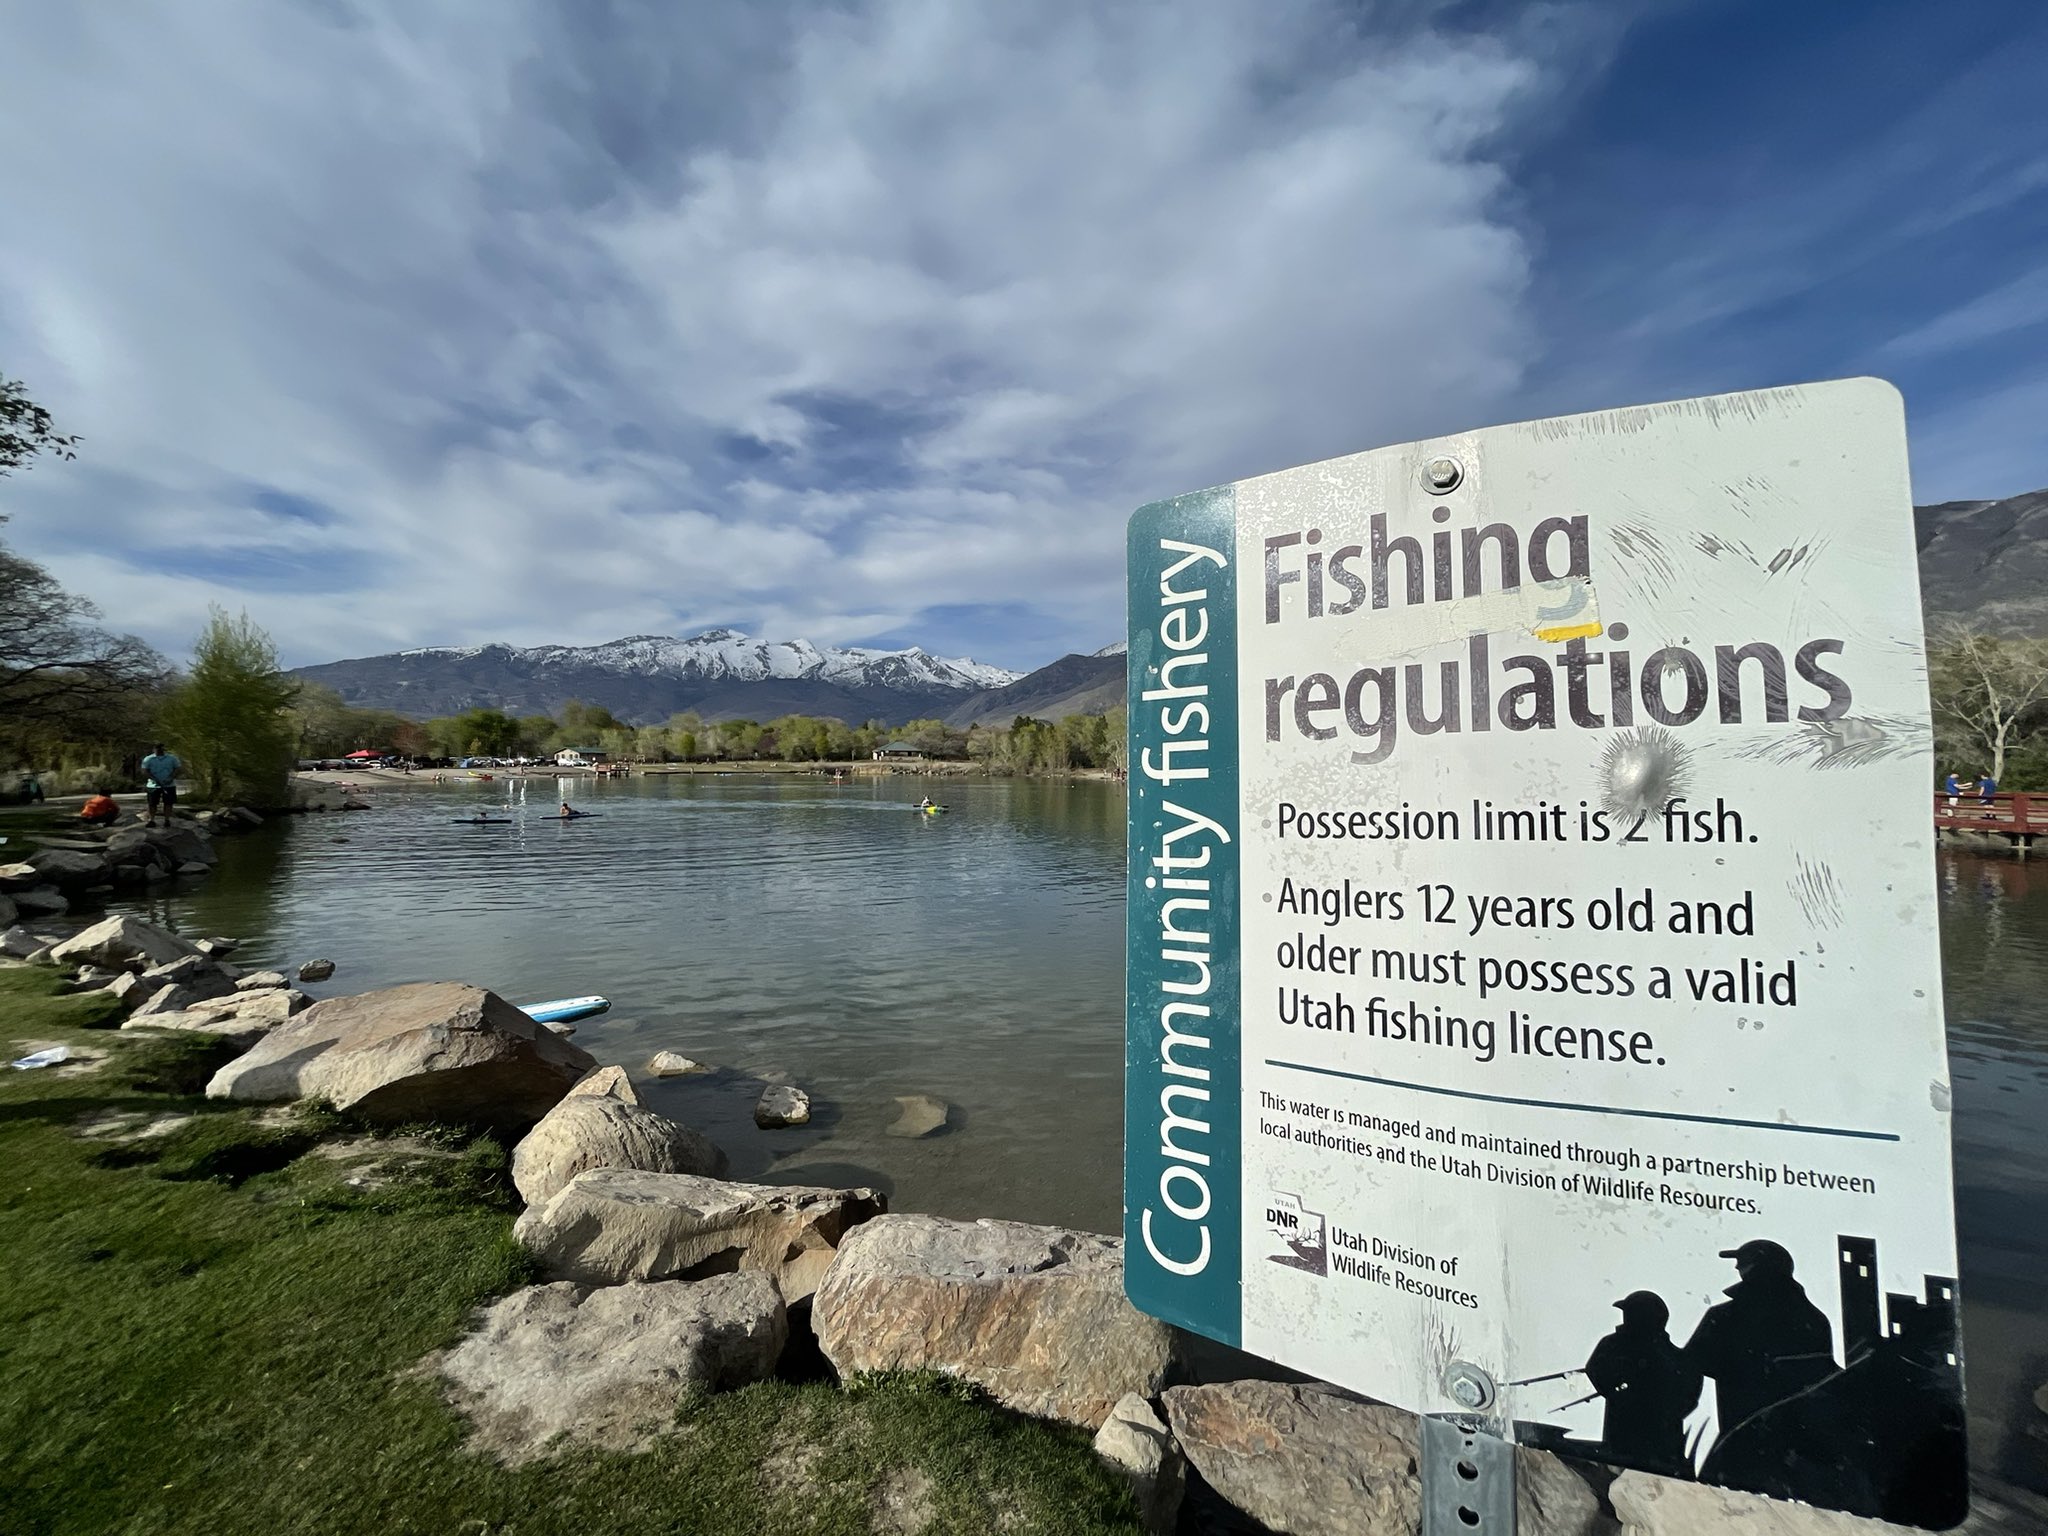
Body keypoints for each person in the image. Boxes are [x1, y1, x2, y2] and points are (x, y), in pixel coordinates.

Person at [1682, 1239, 1836, 1445]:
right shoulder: (1814, 1318)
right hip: (1801, 1439)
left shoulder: (1725, 1316)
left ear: (1756, 1268)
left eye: (1743, 1263)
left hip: (1744, 1434)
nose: (1737, 1267)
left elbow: (1688, 1363)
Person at [1585, 1290, 1703, 1477]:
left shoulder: (1615, 1345)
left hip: (1633, 1449)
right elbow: (1690, 1396)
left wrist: (1624, 1397)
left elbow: (1595, 1370)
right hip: (1655, 1452)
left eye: (1629, 1313)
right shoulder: (1678, 1358)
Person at [140, 742, 181, 827]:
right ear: (154, 749)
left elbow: (177, 768)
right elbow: (144, 770)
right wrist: (154, 779)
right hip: (153, 785)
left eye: (161, 748)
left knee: (168, 803)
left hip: (169, 784)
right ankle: (151, 820)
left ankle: (167, 820)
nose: (159, 750)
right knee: (152, 803)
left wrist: (171, 778)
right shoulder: (148, 759)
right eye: (157, 748)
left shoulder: (172, 758)